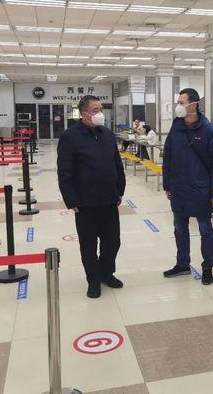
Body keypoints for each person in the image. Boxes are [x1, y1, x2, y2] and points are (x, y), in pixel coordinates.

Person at [57, 95, 126, 299]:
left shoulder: (107, 134)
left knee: (112, 242)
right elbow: (64, 171)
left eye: (101, 109)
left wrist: (120, 189)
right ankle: (93, 280)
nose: (100, 114)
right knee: (88, 245)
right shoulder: (70, 137)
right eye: (95, 110)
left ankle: (106, 273)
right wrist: (71, 199)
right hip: (85, 202)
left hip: (109, 199)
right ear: (84, 113)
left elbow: (117, 164)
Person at [162, 88, 213, 285]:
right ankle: (182, 264)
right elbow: (168, 157)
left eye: (182, 102)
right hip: (178, 189)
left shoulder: (209, 131)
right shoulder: (176, 128)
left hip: (201, 190)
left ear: (194, 105)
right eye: (178, 102)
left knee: (205, 230)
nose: (178, 106)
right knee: (179, 228)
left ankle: (207, 268)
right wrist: (167, 184)